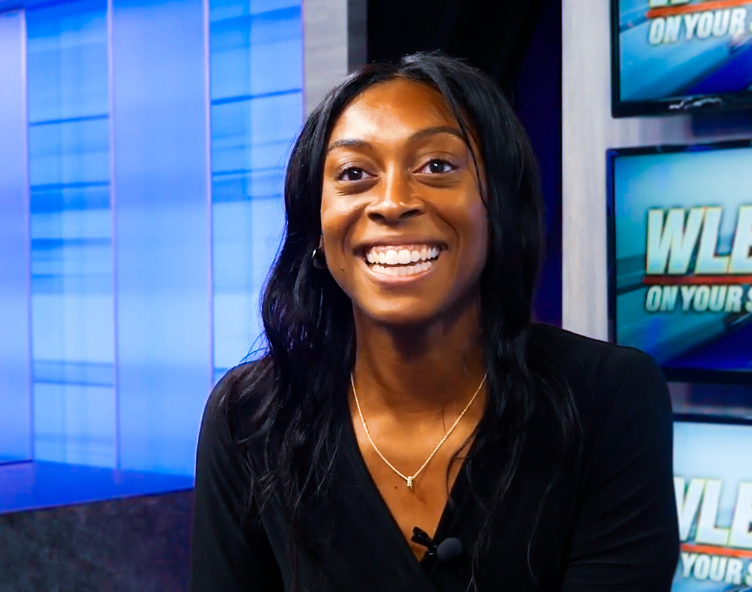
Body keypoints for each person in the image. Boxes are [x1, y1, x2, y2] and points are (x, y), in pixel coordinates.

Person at [189, 53, 679, 591]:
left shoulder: (607, 398)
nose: (393, 202)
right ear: (316, 227)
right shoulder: (249, 417)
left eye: (438, 166)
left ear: (499, 207)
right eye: (354, 174)